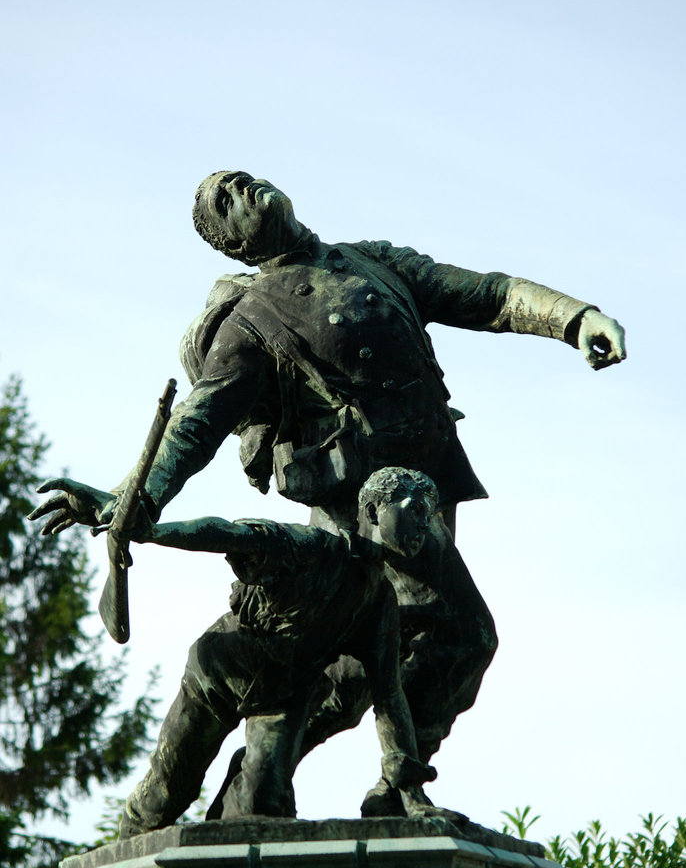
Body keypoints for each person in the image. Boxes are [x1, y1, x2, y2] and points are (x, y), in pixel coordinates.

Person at [32, 170, 627, 817]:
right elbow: (199, 418)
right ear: (231, 244)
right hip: (371, 500)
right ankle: (397, 791)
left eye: (242, 180)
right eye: (224, 200)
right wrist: (133, 500)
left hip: (427, 484)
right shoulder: (251, 317)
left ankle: (259, 777)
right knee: (459, 632)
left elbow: (488, 295)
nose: (241, 186)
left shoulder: (372, 261)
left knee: (353, 665)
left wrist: (575, 318)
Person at [113, 468, 450, 836]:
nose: (425, 525)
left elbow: (389, 696)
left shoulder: (380, 601)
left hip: (283, 697)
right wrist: (152, 532)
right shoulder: (314, 547)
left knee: (263, 806)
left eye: (430, 515)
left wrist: (409, 788)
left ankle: (223, 866)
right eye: (415, 510)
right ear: (371, 512)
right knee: (167, 790)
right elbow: (229, 534)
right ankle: (122, 860)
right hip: (219, 673)